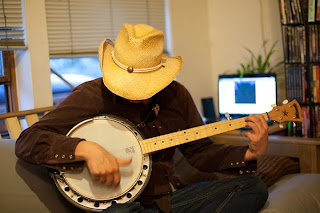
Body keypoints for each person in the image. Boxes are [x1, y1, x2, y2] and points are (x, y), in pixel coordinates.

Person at [15, 23, 269, 213]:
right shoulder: (91, 95)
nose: (137, 94)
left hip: (170, 201)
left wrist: (250, 153)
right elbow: (27, 141)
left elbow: (200, 153)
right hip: (118, 205)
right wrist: (85, 149)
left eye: (145, 84)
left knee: (253, 189)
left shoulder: (177, 95)